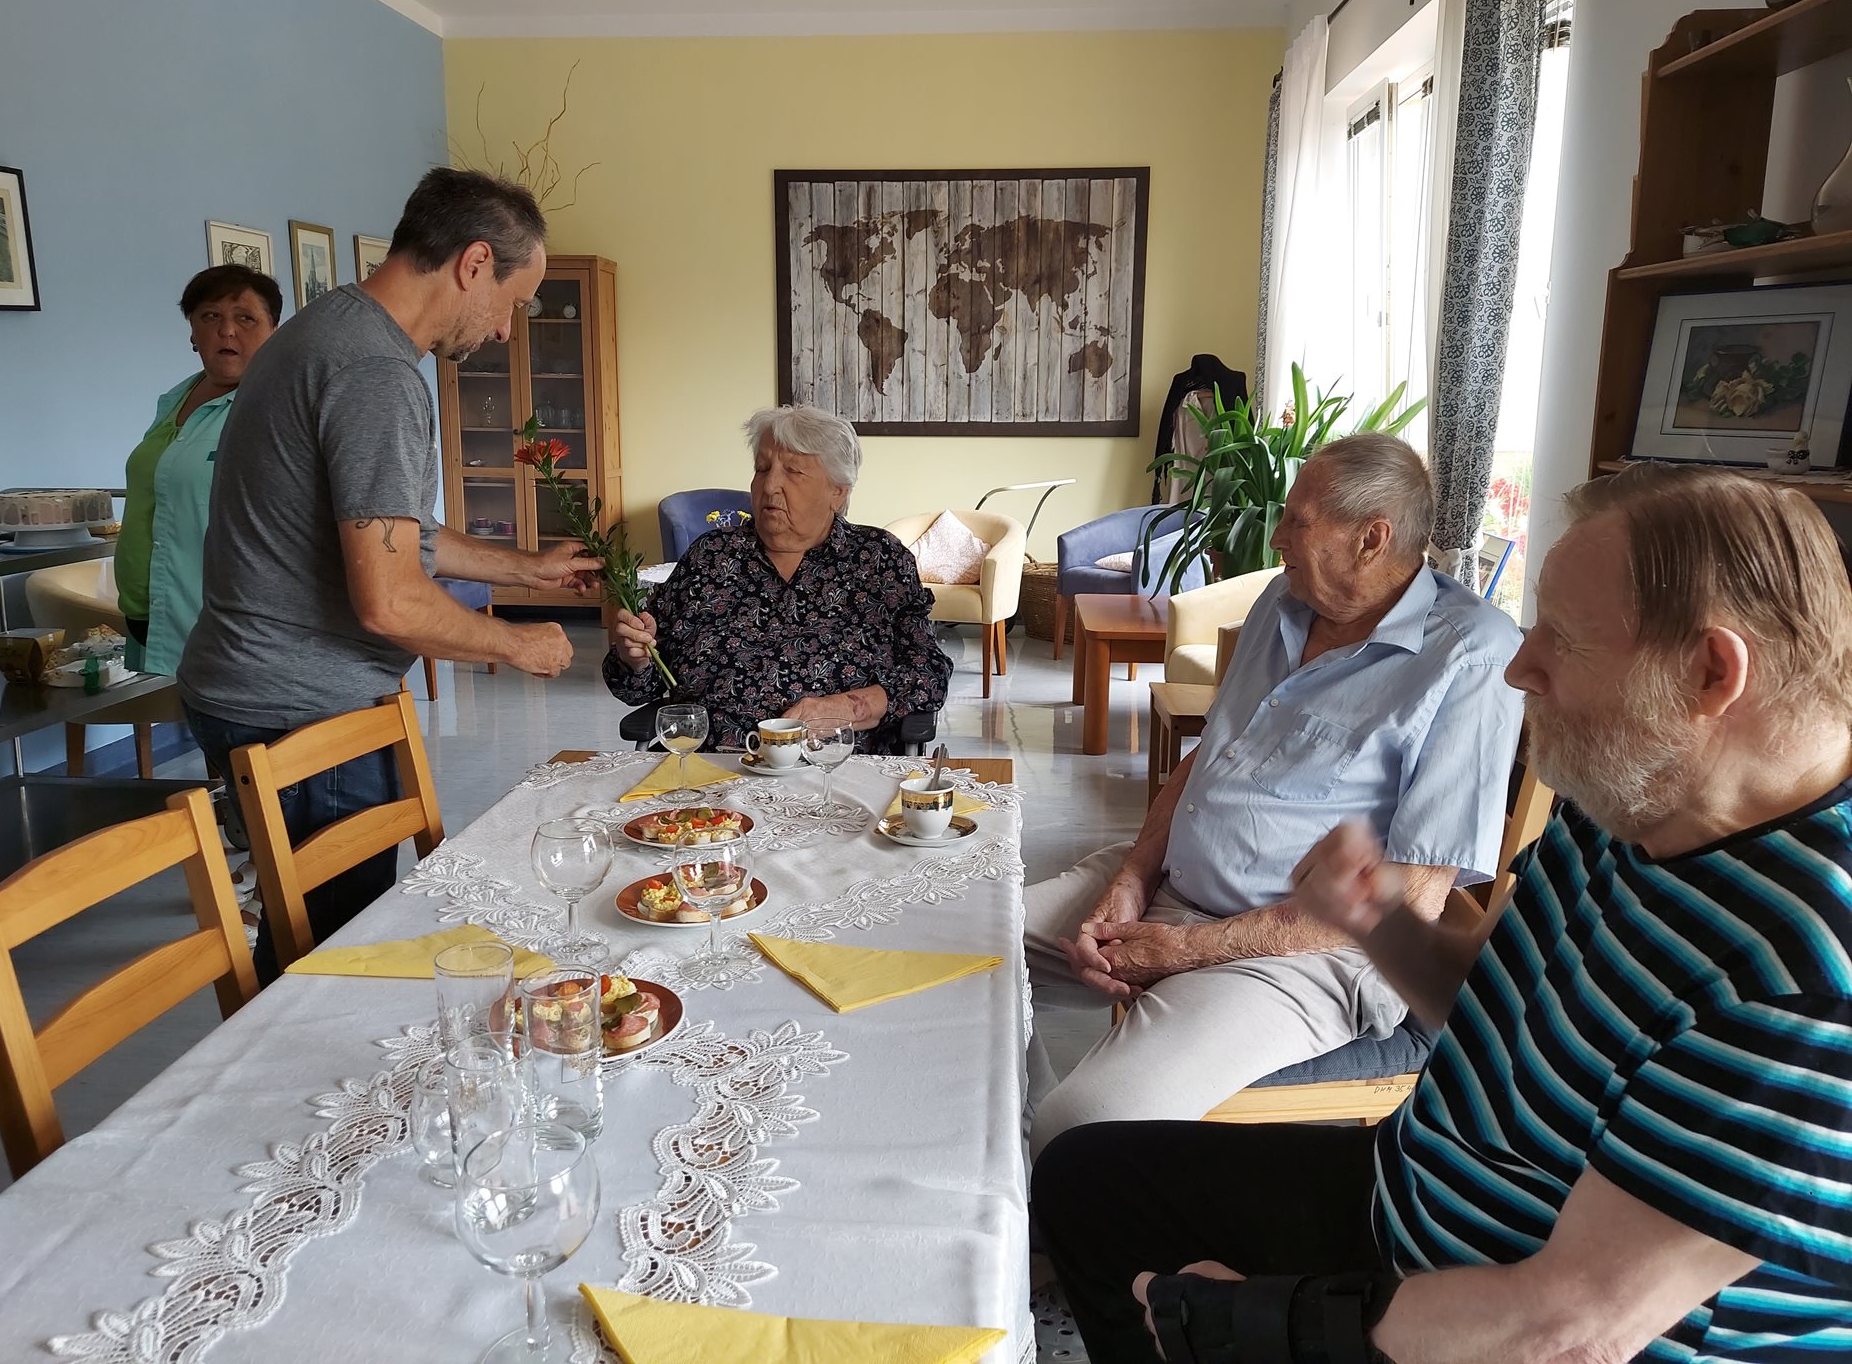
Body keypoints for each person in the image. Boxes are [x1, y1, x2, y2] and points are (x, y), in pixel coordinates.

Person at [1033, 462, 1852, 1364]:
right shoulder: (1637, 801)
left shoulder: (1807, 973)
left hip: (1499, 1319)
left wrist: (1256, 1322)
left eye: (1563, 639)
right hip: (1411, 1198)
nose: (1521, 666)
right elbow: (1485, 1000)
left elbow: (1571, 1329)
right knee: (1085, 1180)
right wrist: (1376, 919)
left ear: (1709, 672)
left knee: (1168, 1287)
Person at [1024, 433, 1522, 1155]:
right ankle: (1010, 1148)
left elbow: (1414, 899)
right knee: (958, 947)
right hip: (1172, 887)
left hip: (1298, 956)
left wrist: (1185, 949)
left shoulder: (1472, 655)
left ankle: (1045, 1187)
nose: (1277, 536)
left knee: (1079, 1126)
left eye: (1297, 520)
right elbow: (1206, 759)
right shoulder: (1281, 602)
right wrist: (1132, 877)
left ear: (1371, 538)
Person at [180, 167, 600, 983]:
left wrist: (527, 568)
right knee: (328, 960)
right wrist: (517, 644)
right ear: (474, 263)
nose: (506, 330)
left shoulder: (326, 328)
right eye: (514, 302)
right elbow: (389, 598)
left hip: (249, 690)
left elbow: (392, 534)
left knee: (299, 936)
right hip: (302, 708)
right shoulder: (374, 372)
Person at [605, 408, 951, 753]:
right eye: (762, 469)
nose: (770, 485)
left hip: (835, 767)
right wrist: (635, 659)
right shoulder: (710, 556)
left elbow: (929, 673)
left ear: (838, 491)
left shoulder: (879, 559)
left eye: (793, 472)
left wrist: (848, 708)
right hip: (711, 766)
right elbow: (641, 686)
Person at [114, 265, 281, 676]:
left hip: (223, 626)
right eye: (210, 316)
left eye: (245, 318)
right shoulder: (175, 398)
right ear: (192, 332)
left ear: (274, 332)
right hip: (149, 612)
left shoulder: (274, 408)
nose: (227, 330)